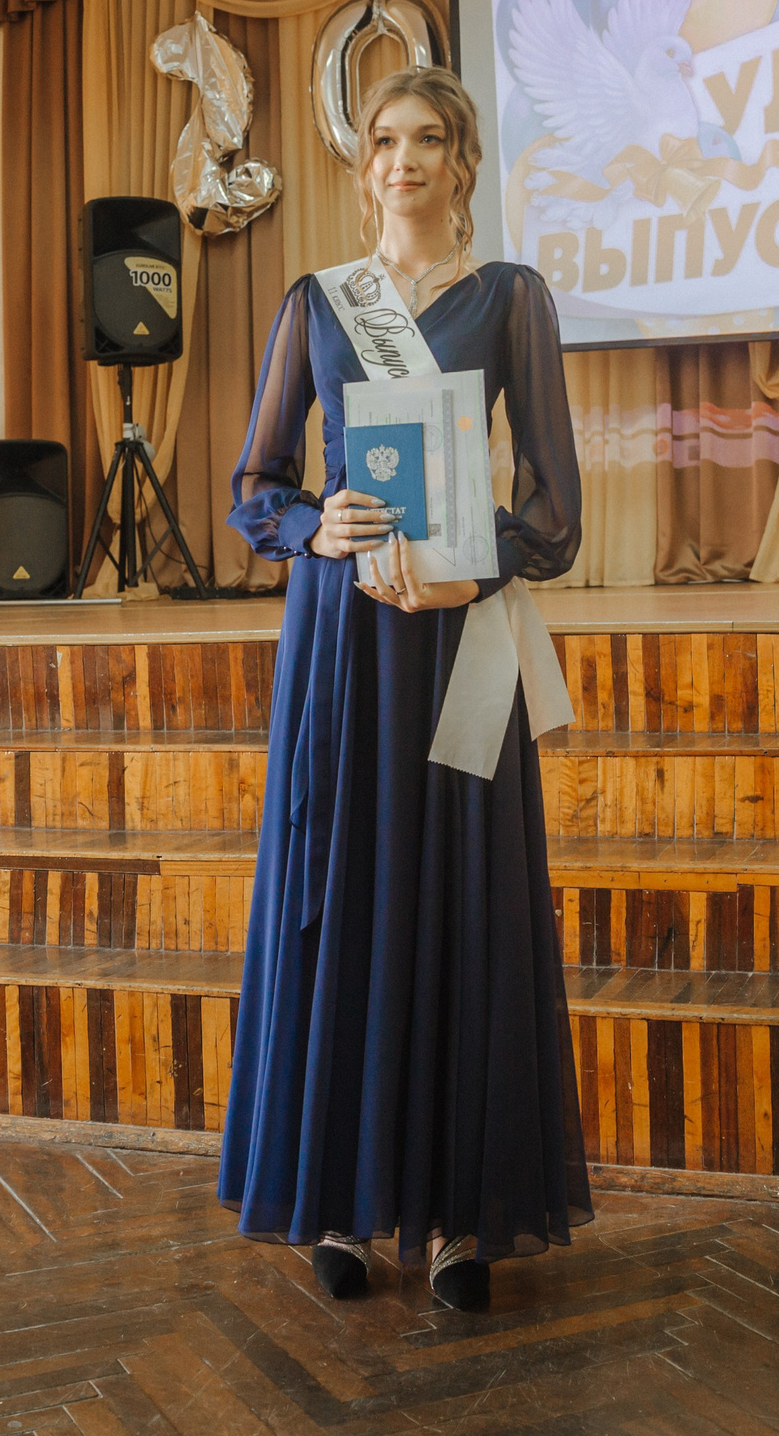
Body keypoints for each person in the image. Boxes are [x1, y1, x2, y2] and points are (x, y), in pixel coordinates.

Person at [219, 66, 589, 1312]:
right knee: (347, 897)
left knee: (462, 903)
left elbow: (554, 501)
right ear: (361, 159)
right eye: (385, 138)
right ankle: (341, 1199)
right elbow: (255, 486)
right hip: (345, 638)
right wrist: (317, 529)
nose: (406, 158)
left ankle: (457, 1221)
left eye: (430, 138)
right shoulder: (319, 303)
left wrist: (474, 564)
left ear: (464, 162)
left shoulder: (510, 299)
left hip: (457, 628)